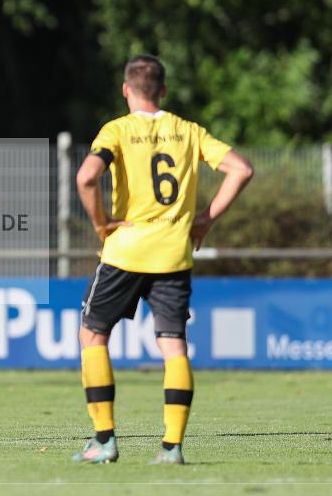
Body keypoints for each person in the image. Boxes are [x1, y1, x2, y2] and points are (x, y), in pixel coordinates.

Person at [73, 54, 253, 464]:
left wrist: (102, 224)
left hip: (126, 249)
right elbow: (241, 169)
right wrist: (205, 220)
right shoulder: (188, 131)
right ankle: (171, 448)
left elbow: (86, 177)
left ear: (125, 90)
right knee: (173, 345)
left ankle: (104, 441)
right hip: (174, 252)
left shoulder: (117, 129)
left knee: (93, 335)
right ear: (164, 92)